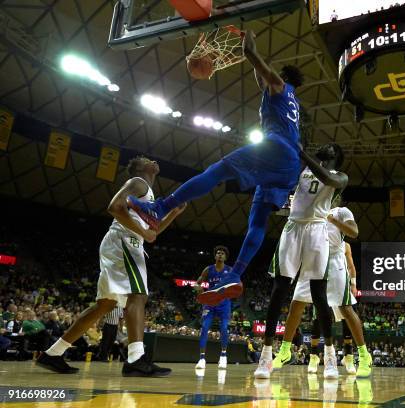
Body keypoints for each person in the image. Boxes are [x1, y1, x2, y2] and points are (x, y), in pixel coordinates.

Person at [127, 29, 304, 305]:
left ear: (283, 76)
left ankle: (160, 208)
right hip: (290, 166)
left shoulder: (279, 85)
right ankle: (235, 274)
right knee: (258, 219)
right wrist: (247, 45)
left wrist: (248, 40)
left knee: (217, 171)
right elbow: (259, 74)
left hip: (276, 149)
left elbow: (253, 58)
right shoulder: (293, 101)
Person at [36, 156, 185, 376]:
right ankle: (135, 359)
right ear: (139, 168)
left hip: (124, 241)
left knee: (104, 305)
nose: (153, 160)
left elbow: (152, 233)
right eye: (147, 159)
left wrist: (173, 213)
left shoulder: (145, 194)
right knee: (138, 295)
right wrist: (143, 232)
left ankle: (53, 353)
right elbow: (114, 207)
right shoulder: (138, 182)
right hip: (125, 241)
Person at [254, 143, 348, 379]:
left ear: (336, 156)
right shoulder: (301, 168)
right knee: (279, 290)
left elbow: (328, 179)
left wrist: (302, 153)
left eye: (330, 147)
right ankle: (266, 355)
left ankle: (329, 356)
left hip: (318, 230)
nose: (325, 147)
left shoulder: (340, 176)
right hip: (293, 227)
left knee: (319, 296)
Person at [272, 198, 372, 377]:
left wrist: (331, 218)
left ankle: (364, 356)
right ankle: (285, 350)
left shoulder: (342, 211)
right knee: (296, 305)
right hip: (313, 260)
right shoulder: (312, 209)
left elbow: (354, 232)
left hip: (334, 261)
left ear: (337, 196)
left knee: (345, 309)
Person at [195, 245, 233, 370]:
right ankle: (201, 359)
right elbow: (197, 283)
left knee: (223, 328)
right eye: (218, 253)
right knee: (204, 327)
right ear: (215, 256)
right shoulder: (208, 269)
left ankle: (223, 356)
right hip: (210, 302)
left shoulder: (230, 270)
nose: (220, 254)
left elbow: (237, 284)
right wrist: (198, 288)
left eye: (222, 253)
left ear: (226, 257)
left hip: (224, 302)